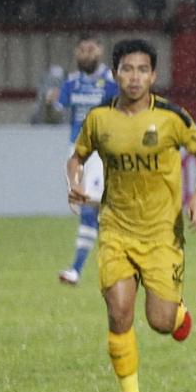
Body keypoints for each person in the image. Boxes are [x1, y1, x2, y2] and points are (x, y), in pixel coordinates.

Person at [68, 38, 196, 392]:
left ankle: (179, 314)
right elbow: (77, 157)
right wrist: (75, 183)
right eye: (126, 69)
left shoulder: (171, 117)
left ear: (153, 75)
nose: (134, 77)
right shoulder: (100, 119)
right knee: (119, 312)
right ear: (115, 74)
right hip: (116, 228)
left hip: (162, 235)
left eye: (142, 70)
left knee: (160, 322)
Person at [51, 36, 119, 286]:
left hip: (99, 151)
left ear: (100, 51)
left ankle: (76, 271)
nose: (86, 53)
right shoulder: (71, 83)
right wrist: (49, 103)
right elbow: (55, 112)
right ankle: (125, 258)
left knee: (90, 209)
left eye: (91, 49)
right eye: (82, 49)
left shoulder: (111, 83)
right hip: (75, 151)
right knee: (95, 211)